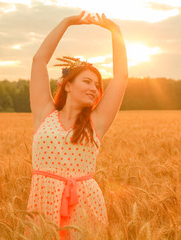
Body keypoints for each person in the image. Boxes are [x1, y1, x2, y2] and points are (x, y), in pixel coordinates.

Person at [26, 11, 128, 239]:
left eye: (97, 85)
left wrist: (116, 32)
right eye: (87, 81)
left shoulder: (96, 123)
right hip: (43, 202)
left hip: (85, 206)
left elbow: (121, 76)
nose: (94, 88)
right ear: (68, 85)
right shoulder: (44, 113)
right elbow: (38, 60)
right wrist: (66, 23)